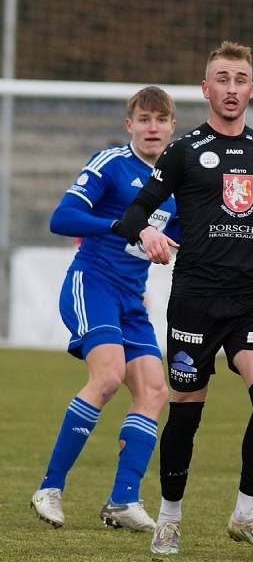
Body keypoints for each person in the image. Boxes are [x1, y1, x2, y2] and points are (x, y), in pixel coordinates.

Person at [113, 41, 253, 559]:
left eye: (241, 79)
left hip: (252, 299)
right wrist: (147, 233)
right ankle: (168, 521)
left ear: (251, 88)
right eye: (222, 78)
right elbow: (133, 214)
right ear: (206, 88)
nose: (232, 88)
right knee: (187, 412)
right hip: (195, 299)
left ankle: (247, 516)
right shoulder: (184, 149)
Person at [31, 86, 179, 532]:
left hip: (132, 300)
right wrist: (124, 227)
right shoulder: (112, 163)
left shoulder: (175, 183)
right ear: (129, 125)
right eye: (144, 119)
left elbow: (186, 239)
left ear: (172, 127)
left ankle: (122, 500)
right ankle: (50, 488)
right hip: (92, 283)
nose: (152, 127)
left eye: (161, 119)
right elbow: (62, 217)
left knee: (155, 390)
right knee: (109, 376)